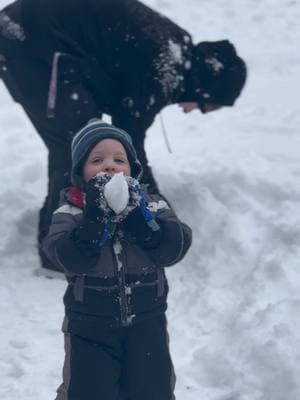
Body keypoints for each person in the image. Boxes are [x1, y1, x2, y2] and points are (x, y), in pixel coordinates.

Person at [0, 0, 246, 272]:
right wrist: (157, 212)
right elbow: (127, 148)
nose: (194, 111)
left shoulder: (175, 53)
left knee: (84, 145)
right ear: (205, 86)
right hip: (30, 38)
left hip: (33, 32)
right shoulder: (163, 71)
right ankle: (57, 256)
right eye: (207, 106)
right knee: (78, 149)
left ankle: (68, 232)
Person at [41, 119, 192, 400]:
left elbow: (175, 247)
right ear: (79, 174)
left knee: (152, 390)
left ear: (133, 170)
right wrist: (94, 220)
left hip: (147, 323)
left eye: (118, 159)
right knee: (88, 392)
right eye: (97, 160)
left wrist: (139, 221)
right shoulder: (70, 212)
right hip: (89, 327)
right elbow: (65, 257)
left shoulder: (153, 204)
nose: (109, 166)